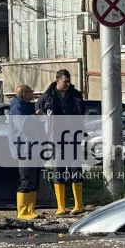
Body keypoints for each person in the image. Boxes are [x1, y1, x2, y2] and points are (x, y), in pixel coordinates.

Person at [36, 69, 85, 216]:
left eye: (69, 81)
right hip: (56, 138)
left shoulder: (75, 95)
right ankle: (61, 207)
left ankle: (79, 205)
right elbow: (37, 116)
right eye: (65, 82)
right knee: (59, 171)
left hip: (74, 137)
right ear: (58, 80)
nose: (68, 84)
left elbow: (82, 112)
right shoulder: (47, 96)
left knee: (76, 169)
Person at [9, 84, 42, 220]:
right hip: (24, 149)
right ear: (23, 94)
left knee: (34, 180)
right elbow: (24, 126)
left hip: (33, 147)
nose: (32, 94)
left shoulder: (26, 105)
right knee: (26, 180)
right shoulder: (17, 107)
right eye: (30, 92)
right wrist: (36, 116)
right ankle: (23, 211)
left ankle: (31, 209)